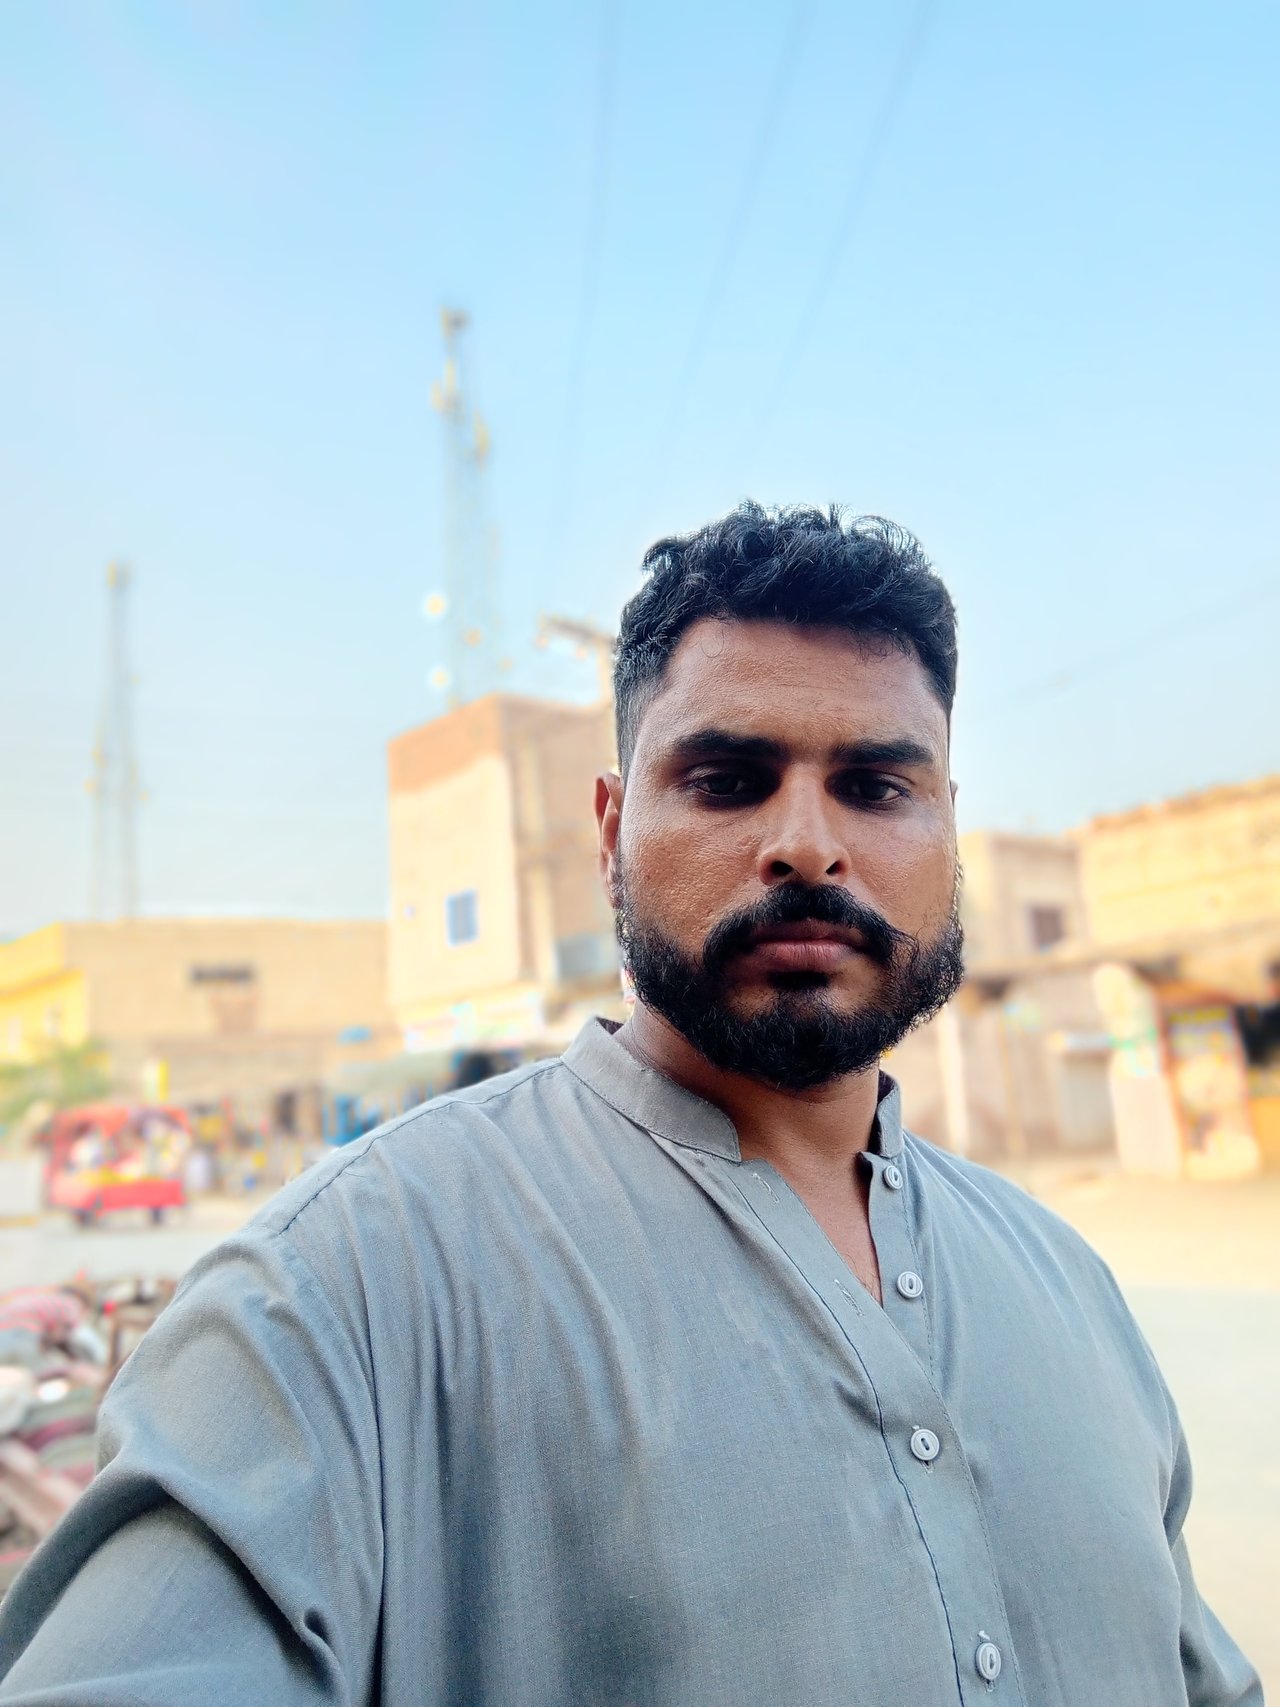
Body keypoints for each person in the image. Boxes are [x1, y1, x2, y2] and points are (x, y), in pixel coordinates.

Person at [0, 504, 1260, 1705]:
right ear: (608, 833)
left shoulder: (1067, 1285)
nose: (806, 844)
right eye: (727, 780)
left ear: (947, 831)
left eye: (877, 787)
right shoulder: (343, 1290)